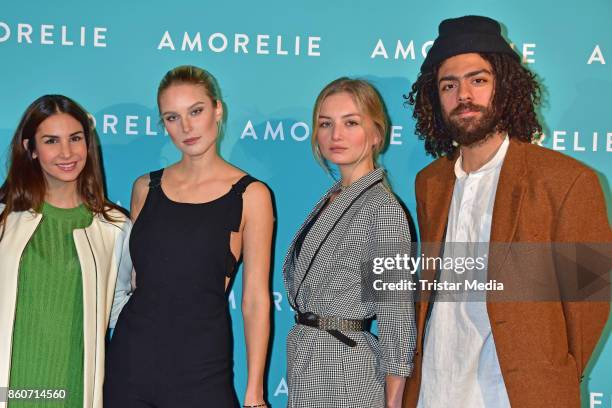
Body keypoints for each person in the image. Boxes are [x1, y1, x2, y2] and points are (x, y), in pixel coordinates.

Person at [402, 15, 611, 408]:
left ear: (505, 86)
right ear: (435, 97)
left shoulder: (566, 180)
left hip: (516, 395)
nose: (463, 95)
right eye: (449, 84)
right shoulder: (430, 182)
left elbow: (591, 299)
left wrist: (544, 369)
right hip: (434, 388)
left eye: (478, 80)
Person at [103, 65, 273, 408]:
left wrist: (254, 394)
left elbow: (254, 301)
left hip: (202, 369)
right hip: (130, 363)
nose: (186, 127)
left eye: (196, 111)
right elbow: (136, 279)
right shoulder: (144, 188)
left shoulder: (251, 195)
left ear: (217, 109)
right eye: (172, 117)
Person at [283, 77, 416, 408]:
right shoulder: (334, 199)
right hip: (310, 362)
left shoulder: (383, 210)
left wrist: (394, 402)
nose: (335, 135)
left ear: (376, 134)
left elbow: (396, 314)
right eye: (325, 124)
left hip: (346, 372)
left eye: (350, 122)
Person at [0, 94, 132, 408]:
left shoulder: (115, 227)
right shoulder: (4, 219)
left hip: (76, 389)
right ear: (31, 149)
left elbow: (119, 308)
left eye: (75, 138)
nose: (67, 152)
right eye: (51, 141)